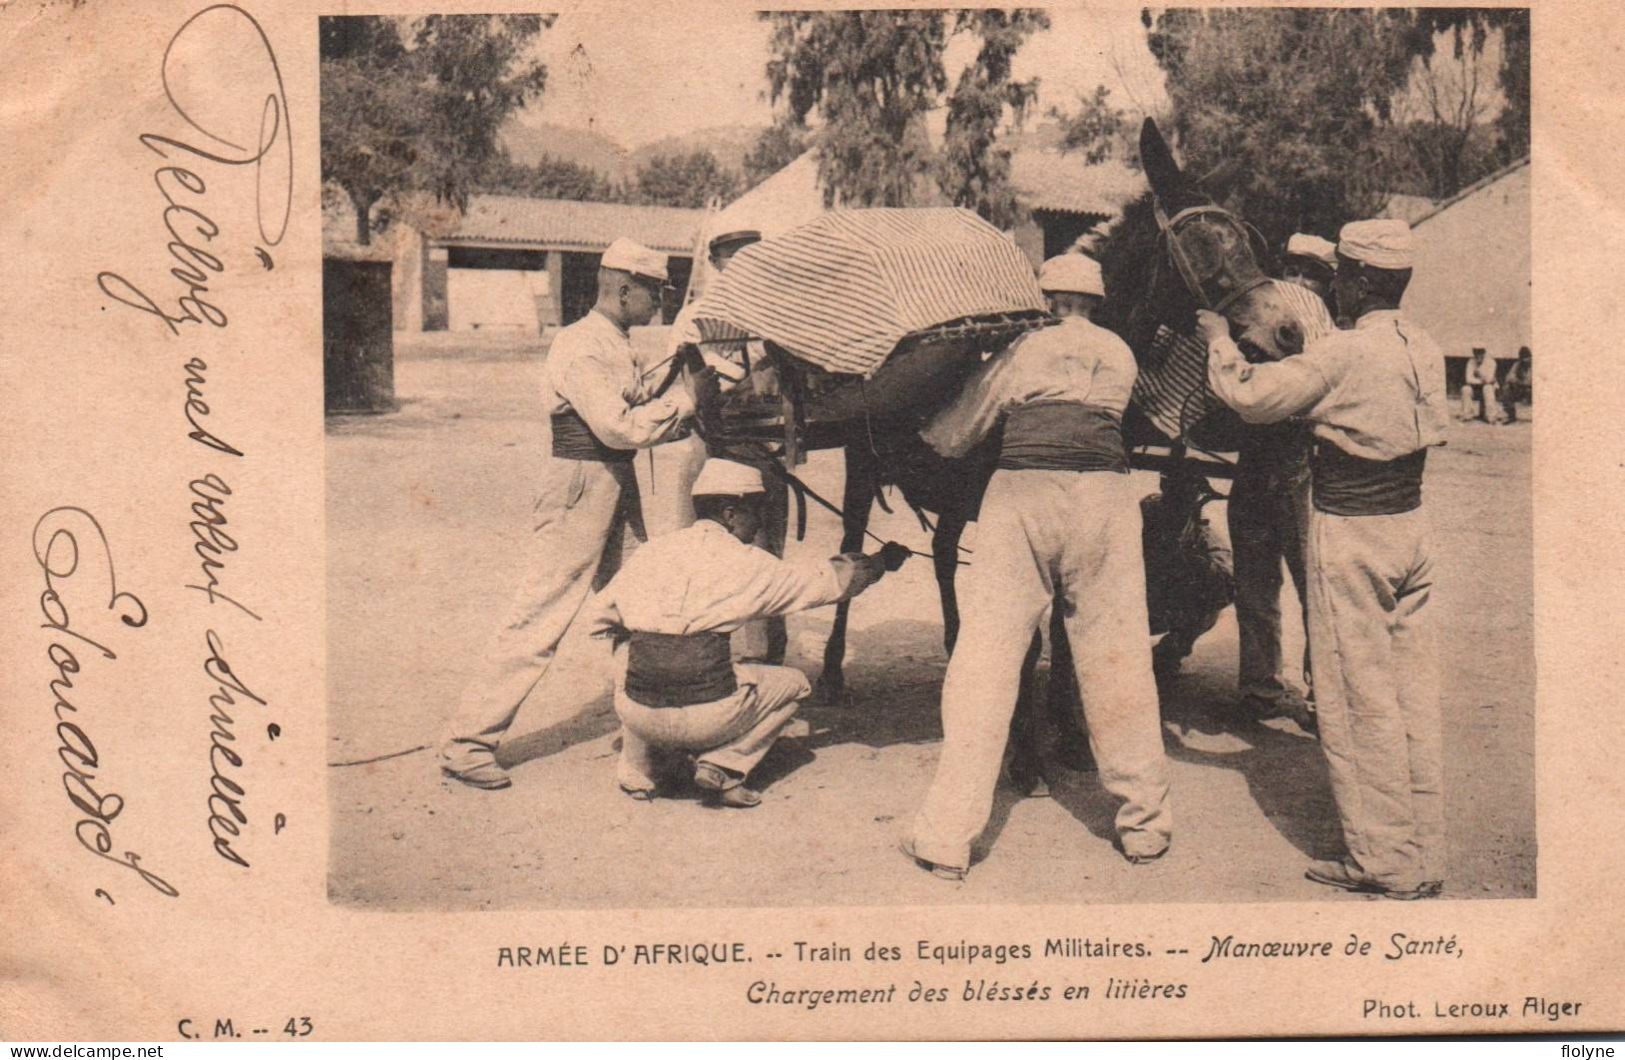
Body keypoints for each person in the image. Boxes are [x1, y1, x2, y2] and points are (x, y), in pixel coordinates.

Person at [1198, 217, 1451, 900]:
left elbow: (1250, 398)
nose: (1334, 281)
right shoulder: (1423, 346)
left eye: (1342, 272)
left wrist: (1220, 345)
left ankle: (1383, 861)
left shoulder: (1343, 353)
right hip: (1410, 526)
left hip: (1354, 529)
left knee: (1354, 694)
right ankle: (1421, 845)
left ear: (1362, 279)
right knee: (1407, 692)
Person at [904, 252, 1172, 879]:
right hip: (1105, 499)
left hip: (1024, 496)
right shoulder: (1121, 355)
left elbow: (953, 435)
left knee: (987, 656)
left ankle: (946, 838)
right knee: (1119, 656)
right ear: (1095, 303)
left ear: (1046, 300)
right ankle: (1145, 827)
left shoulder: (1022, 350)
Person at [439, 238, 696, 791]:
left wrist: (678, 367)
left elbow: (633, 396)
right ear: (624, 288)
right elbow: (617, 427)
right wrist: (685, 403)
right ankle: (468, 742)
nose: (659, 305)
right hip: (581, 482)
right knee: (542, 612)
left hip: (614, 480)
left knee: (639, 604)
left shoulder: (613, 340)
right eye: (654, 293)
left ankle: (647, 742)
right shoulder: (581, 345)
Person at [585, 458, 907, 807]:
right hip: (707, 720)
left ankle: (640, 769)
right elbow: (828, 583)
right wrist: (878, 563)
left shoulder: (651, 552)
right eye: (756, 511)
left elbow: (598, 620)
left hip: (637, 713)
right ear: (730, 513)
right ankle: (724, 762)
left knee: (633, 657)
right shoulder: (749, 562)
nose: (759, 524)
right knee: (796, 684)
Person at [660, 229, 789, 665]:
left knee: (763, 559)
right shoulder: (695, 316)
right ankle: (697, 662)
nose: (744, 270)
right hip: (708, 443)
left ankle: (764, 663)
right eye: (734, 261)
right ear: (716, 265)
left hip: (760, 448)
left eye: (753, 260)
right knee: (695, 552)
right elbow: (685, 381)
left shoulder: (781, 316)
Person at [1229, 235, 1337, 722]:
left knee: (1313, 583)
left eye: (1309, 274)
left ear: (1325, 283)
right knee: (1253, 583)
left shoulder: (1329, 329)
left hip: (1301, 461)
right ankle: (1260, 687)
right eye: (1292, 269)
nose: (1297, 282)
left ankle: (1323, 694)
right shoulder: (1267, 310)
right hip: (1256, 458)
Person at [1142, 466, 1234, 681]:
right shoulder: (1139, 516)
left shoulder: (1200, 534)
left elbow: (1227, 582)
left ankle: (1171, 650)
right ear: (1165, 489)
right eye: (1176, 493)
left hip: (1166, 607)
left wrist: (1199, 565)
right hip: (1129, 604)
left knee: (1211, 600)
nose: (1181, 502)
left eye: (1188, 495)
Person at [1460, 347, 1498, 422]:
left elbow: (1489, 380)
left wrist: (1480, 374)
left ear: (1484, 352)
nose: (1478, 355)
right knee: (1465, 389)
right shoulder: (1471, 362)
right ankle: (1467, 415)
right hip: (1475, 387)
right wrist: (1481, 381)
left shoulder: (1491, 362)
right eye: (1476, 352)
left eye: (1480, 352)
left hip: (1490, 389)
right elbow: (1468, 379)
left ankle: (1491, 416)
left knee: (1487, 388)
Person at [1500, 347, 1532, 424]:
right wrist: (1515, 381)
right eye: (1523, 359)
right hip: (1521, 388)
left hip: (1532, 390)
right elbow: (1509, 377)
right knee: (1507, 388)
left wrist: (1518, 381)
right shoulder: (1517, 364)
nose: (1525, 361)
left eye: (1527, 358)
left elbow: (1530, 381)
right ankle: (1511, 415)